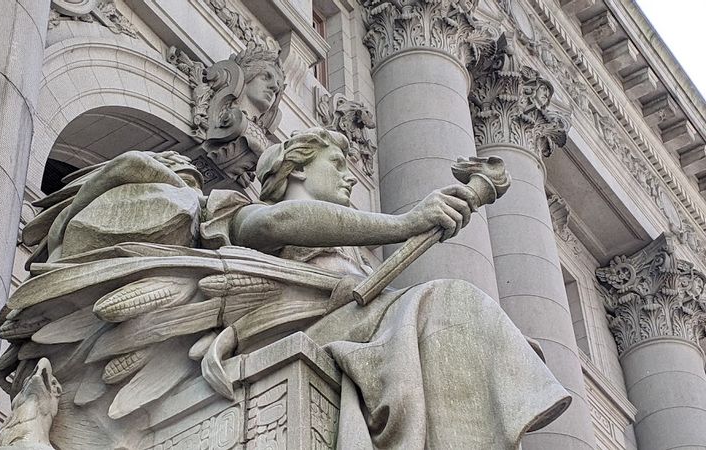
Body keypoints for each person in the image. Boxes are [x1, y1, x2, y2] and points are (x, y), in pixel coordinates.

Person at [198, 127, 572, 449]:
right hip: (297, 331)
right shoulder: (247, 214)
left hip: (357, 329)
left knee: (456, 317)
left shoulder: (355, 257)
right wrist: (407, 223)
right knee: (450, 301)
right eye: (337, 164)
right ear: (296, 169)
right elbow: (282, 220)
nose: (351, 177)